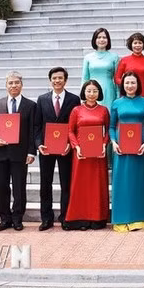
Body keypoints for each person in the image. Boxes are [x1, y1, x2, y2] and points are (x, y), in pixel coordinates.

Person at [0, 71, 36, 231]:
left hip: (20, 154)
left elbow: (32, 131)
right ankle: (4, 218)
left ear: (21, 85)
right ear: (6, 85)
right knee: (2, 187)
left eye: (16, 82)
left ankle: (17, 218)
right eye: (10, 83)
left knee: (19, 188)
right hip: (1, 152)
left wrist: (31, 152)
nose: (14, 85)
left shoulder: (30, 105)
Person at [34, 66, 81, 231]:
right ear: (50, 80)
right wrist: (39, 143)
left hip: (65, 148)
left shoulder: (74, 99)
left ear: (65, 80)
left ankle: (65, 217)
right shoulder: (42, 99)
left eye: (60, 78)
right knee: (45, 183)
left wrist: (70, 143)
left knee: (66, 183)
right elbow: (37, 125)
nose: (57, 81)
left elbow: (75, 125)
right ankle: (46, 218)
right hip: (46, 148)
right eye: (54, 78)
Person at [110, 71, 144, 232]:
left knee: (139, 182)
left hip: (139, 148)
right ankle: (122, 218)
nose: (130, 86)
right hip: (122, 148)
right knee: (122, 183)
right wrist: (113, 142)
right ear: (122, 85)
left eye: (133, 83)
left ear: (138, 85)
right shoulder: (116, 103)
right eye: (127, 83)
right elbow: (112, 126)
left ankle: (140, 216)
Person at [64, 79, 109, 230]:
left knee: (97, 185)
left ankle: (97, 219)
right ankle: (80, 218)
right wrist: (76, 147)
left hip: (98, 155)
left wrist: (104, 144)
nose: (91, 94)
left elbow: (108, 130)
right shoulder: (77, 110)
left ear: (99, 93)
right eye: (89, 91)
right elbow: (70, 131)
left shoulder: (104, 110)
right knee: (80, 185)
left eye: (95, 91)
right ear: (84, 92)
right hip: (81, 154)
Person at [82, 27, 119, 110]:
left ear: (108, 40)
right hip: (91, 91)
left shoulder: (114, 57)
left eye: (104, 37)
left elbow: (117, 79)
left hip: (108, 90)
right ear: (94, 39)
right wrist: (83, 97)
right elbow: (85, 78)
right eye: (99, 37)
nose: (102, 40)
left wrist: (118, 95)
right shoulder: (88, 57)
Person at [114, 32, 144, 99]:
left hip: (143, 94)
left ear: (143, 45)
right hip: (128, 94)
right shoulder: (124, 60)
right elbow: (117, 78)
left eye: (140, 43)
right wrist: (128, 84)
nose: (137, 45)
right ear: (131, 45)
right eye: (135, 43)